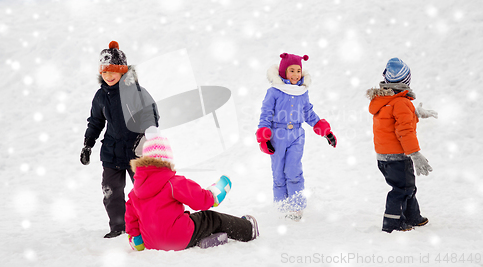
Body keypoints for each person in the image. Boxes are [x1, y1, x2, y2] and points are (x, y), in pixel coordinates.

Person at [125, 127, 259, 251]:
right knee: (210, 218)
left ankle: (203, 238)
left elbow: (131, 220)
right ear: (165, 160)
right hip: (178, 238)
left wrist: (137, 240)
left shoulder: (134, 193)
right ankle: (248, 229)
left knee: (193, 221)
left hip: (152, 243)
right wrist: (212, 196)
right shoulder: (173, 183)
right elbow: (199, 200)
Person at [80, 41, 159, 238]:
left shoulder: (136, 92)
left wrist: (148, 134)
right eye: (104, 72)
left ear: (122, 70)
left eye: (113, 71)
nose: (108, 76)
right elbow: (96, 121)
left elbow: (150, 112)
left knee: (144, 191)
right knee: (111, 191)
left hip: (136, 151)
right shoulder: (101, 96)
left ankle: (150, 225)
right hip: (112, 151)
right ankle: (118, 227)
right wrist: (88, 144)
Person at [256, 53, 337, 221]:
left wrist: (325, 131)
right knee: (278, 173)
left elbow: (308, 113)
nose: (295, 75)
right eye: (291, 70)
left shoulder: (302, 92)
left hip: (297, 135)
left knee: (293, 171)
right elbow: (266, 113)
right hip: (277, 134)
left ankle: (296, 209)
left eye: (298, 71)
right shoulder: (274, 92)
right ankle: (281, 207)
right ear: (283, 72)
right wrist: (264, 136)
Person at [366, 57, 438, 233]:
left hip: (384, 156)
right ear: (406, 81)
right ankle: (393, 223)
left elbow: (395, 117)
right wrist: (415, 153)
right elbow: (405, 131)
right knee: (402, 188)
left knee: (408, 186)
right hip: (398, 156)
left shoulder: (386, 100)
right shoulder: (401, 102)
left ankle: (413, 216)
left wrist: (416, 112)